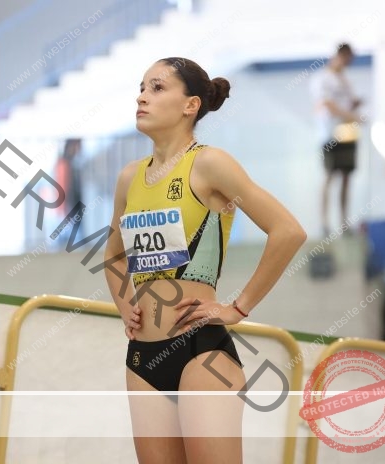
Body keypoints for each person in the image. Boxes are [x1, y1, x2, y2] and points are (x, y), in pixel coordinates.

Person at [103, 57, 307, 463]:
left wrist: (237, 307)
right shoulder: (130, 176)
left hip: (201, 354)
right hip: (143, 359)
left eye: (157, 88)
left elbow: (288, 231)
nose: (142, 96)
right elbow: (113, 257)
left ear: (190, 104)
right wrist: (127, 307)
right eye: (142, 87)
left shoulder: (209, 163)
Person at [310, 43, 363, 236]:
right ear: (340, 55)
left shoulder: (345, 80)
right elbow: (328, 105)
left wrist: (353, 109)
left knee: (346, 177)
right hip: (329, 135)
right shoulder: (322, 78)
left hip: (347, 134)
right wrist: (350, 115)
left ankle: (344, 223)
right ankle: (324, 223)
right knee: (329, 176)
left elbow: (347, 104)